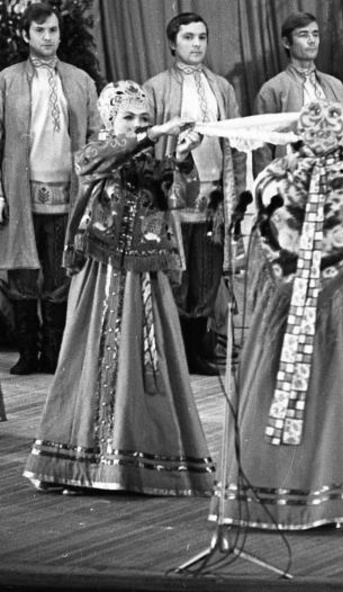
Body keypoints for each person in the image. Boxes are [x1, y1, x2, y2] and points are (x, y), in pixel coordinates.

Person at [209, 99, 343, 529]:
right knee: (340, 380)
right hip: (334, 303)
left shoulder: (280, 176)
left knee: (293, 380)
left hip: (292, 303)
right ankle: (340, 492)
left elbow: (265, 241)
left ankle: (280, 487)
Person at [22, 80, 215, 496]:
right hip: (102, 272)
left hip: (145, 277)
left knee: (145, 365)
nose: (137, 124)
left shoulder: (152, 165)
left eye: (144, 118)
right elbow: (90, 164)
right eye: (127, 117)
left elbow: (183, 195)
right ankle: (81, 462)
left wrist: (182, 159)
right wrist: (149, 136)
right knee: (91, 355)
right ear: (110, 119)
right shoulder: (99, 152)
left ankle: (142, 462)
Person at [0, 1, 101, 375]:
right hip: (20, 194)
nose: (48, 36)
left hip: (68, 194)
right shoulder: (6, 80)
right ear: (25, 35)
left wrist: (91, 188)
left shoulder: (80, 80)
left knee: (60, 276)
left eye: (53, 30)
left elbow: (95, 137)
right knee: (23, 275)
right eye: (40, 30)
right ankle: (28, 352)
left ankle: (55, 353)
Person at [143, 12, 246, 375]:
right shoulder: (156, 87)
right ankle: (178, 352)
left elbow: (236, 145)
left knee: (207, 274)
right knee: (178, 275)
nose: (196, 44)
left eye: (201, 37)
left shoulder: (222, 87)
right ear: (173, 43)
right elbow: (148, 145)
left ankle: (198, 349)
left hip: (214, 196)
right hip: (175, 197)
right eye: (188, 37)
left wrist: (236, 197)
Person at [253, 11, 343, 176]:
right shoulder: (272, 90)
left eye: (315, 34)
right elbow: (262, 152)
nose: (312, 40)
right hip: (293, 183)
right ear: (287, 42)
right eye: (303, 34)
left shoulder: (336, 87)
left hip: (337, 180)